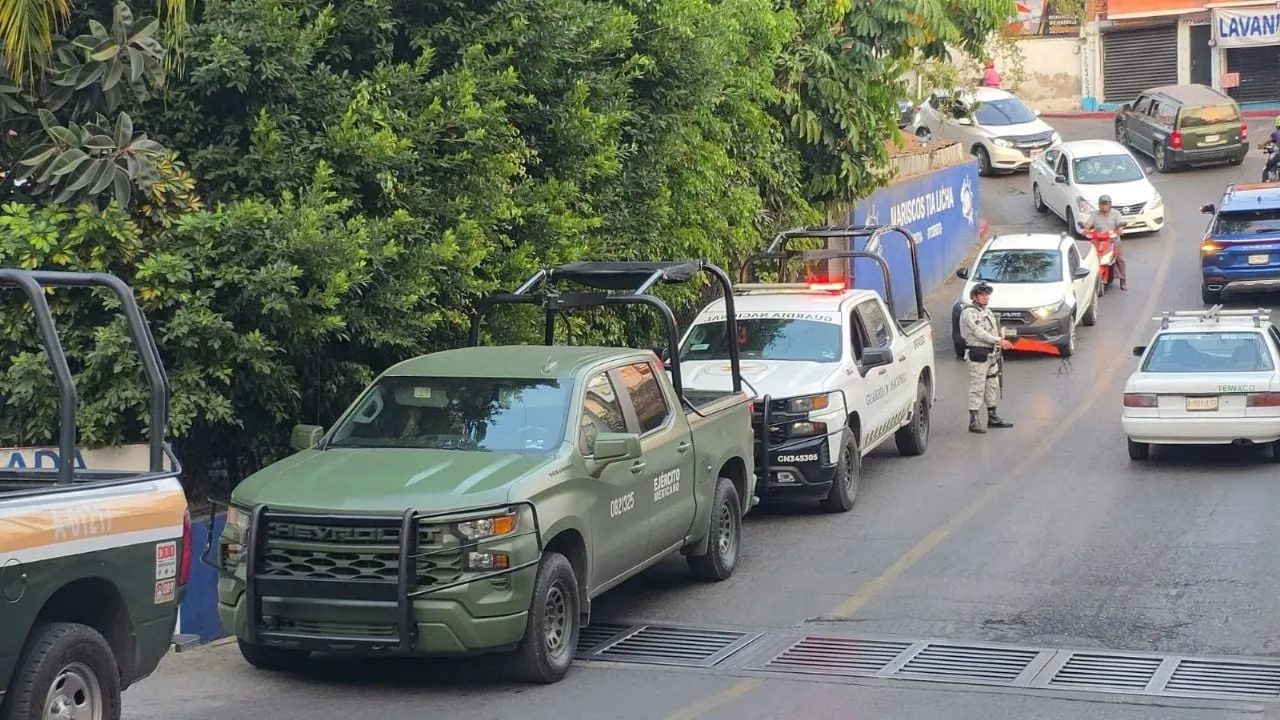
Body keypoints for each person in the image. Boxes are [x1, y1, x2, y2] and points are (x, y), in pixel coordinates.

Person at [959, 282, 1014, 434]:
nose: (985, 298)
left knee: (992, 385)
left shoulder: (987, 312)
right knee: (977, 387)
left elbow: (993, 330)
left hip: (991, 354)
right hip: (978, 353)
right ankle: (974, 420)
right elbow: (979, 333)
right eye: (982, 295)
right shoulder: (969, 313)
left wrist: (1000, 341)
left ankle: (992, 416)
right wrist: (998, 341)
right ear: (974, 297)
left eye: (987, 295)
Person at [1082, 194, 1127, 291]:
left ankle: (1123, 281)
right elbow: (1088, 223)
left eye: (1106, 204)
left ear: (1110, 205)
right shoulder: (1094, 214)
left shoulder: (1116, 214)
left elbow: (1120, 224)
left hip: (1113, 241)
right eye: (1102, 204)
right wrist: (1085, 229)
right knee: (1088, 258)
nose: (1104, 206)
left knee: (1120, 260)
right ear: (1099, 205)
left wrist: (1120, 229)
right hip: (1098, 242)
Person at [1262, 115, 1280, 182]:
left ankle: (1264, 185)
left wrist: (1261, 146)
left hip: (1278, 155)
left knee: (1266, 168)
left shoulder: (1275, 133)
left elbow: (1268, 140)